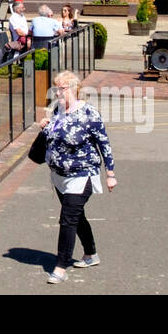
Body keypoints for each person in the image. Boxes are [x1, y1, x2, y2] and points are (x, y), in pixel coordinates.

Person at [38, 70, 116, 285]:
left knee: (67, 219)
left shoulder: (89, 113)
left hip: (83, 174)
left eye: (61, 88)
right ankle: (91, 254)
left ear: (73, 88)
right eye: (56, 88)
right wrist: (45, 127)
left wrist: (110, 173)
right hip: (59, 175)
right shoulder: (57, 110)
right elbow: (53, 136)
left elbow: (104, 144)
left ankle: (60, 267)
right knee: (77, 216)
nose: (57, 92)